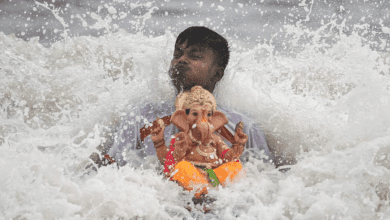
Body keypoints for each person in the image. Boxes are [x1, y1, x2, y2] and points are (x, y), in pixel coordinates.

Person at [90, 26, 274, 194]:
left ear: (217, 73)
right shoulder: (141, 116)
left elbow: (264, 184)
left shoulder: (244, 127)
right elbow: (110, 169)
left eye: (194, 56)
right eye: (177, 54)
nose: (181, 60)